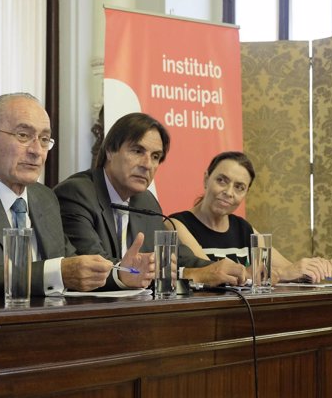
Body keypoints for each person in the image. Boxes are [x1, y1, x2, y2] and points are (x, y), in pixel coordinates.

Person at [0, 93, 153, 295]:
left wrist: (122, 274)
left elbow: (74, 266)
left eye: (44, 139)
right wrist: (55, 273)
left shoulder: (44, 198)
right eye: (23, 135)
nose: (36, 151)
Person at [54, 113, 246, 287]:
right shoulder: (77, 194)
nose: (147, 165)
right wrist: (192, 274)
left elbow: (178, 256)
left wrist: (218, 269)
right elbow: (97, 266)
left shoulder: (145, 201)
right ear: (111, 150)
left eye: (155, 156)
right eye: (137, 151)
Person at [169, 151, 332, 283]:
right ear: (206, 179)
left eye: (239, 187)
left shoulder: (244, 228)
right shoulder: (177, 224)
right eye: (221, 180)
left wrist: (313, 267)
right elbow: (215, 274)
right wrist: (284, 272)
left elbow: (289, 268)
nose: (228, 192)